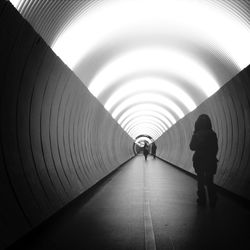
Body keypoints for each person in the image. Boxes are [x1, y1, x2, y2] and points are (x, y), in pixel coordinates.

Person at [189, 114, 218, 207]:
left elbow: (191, 147)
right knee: (210, 181)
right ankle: (212, 199)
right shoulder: (213, 134)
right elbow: (216, 148)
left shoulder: (196, 135)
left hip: (199, 160)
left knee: (200, 180)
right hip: (210, 160)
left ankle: (202, 199)